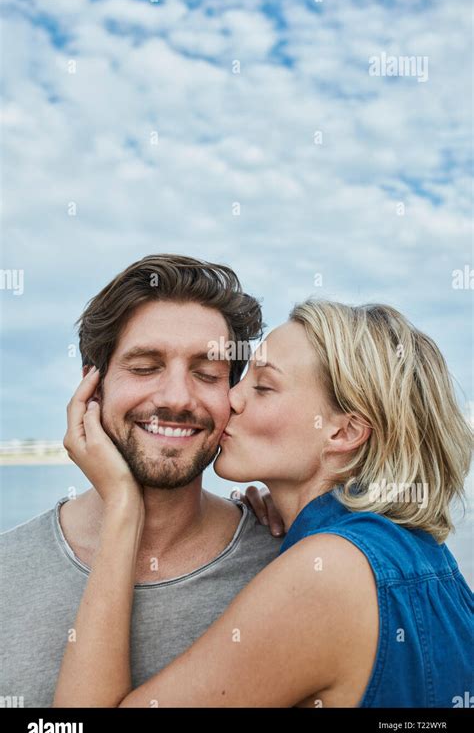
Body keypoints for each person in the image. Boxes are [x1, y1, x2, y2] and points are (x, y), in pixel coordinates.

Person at [53, 298, 473, 708]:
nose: (232, 399)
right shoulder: (411, 552)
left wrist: (123, 506)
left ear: (344, 433)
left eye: (264, 386)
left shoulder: (324, 576)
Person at [0, 255, 283, 709]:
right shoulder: (6, 571)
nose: (176, 398)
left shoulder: (287, 556)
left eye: (207, 374)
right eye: (145, 366)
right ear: (92, 388)